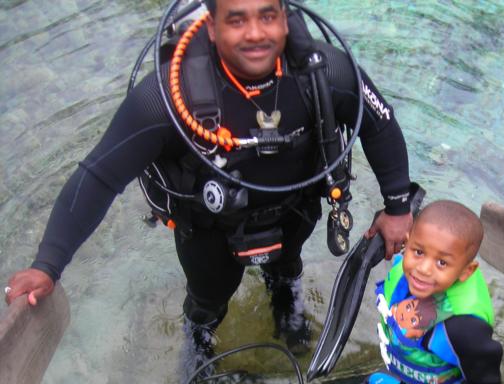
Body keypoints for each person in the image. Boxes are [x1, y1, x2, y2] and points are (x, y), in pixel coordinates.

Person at [3, 0, 413, 365]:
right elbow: (99, 176)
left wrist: (397, 209)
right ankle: (200, 343)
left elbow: (380, 124)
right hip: (208, 227)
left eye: (268, 16)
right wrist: (48, 265)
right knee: (208, 295)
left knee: (287, 266)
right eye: (237, 20)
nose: (255, 33)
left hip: (295, 206)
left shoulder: (324, 72)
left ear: (285, 20)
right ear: (212, 28)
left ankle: (286, 301)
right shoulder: (166, 96)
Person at [375, 200, 503, 384]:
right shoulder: (409, 270)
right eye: (418, 252)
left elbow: (484, 383)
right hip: (422, 382)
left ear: (466, 272)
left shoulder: (463, 328)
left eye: (442, 263)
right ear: (408, 242)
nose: (422, 269)